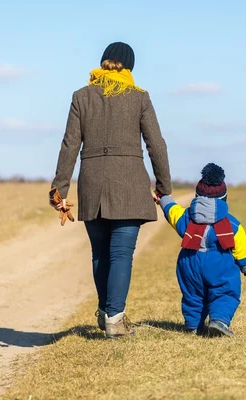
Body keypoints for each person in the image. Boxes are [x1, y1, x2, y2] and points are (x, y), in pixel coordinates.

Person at [50, 42, 172, 339]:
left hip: (92, 181)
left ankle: (106, 312)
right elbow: (156, 144)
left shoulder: (82, 96)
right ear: (129, 67)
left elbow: (70, 144)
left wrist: (59, 188)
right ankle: (114, 321)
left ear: (103, 62)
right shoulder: (139, 97)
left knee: (100, 253)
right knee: (121, 254)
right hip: (129, 183)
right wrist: (163, 187)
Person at [155, 163, 246, 336]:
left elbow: (171, 211)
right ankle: (219, 321)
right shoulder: (232, 224)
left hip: (189, 263)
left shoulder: (186, 217)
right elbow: (242, 249)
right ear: (224, 198)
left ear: (197, 195)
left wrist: (163, 198)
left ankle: (193, 325)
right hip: (219, 264)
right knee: (225, 292)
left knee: (193, 295)